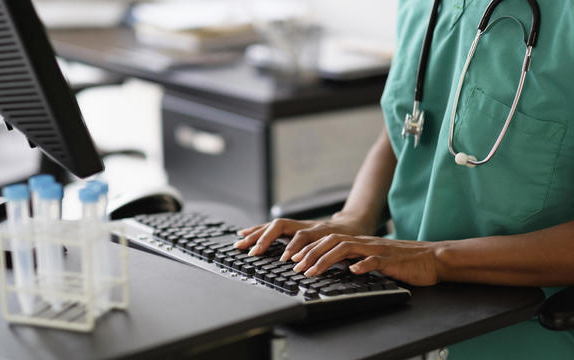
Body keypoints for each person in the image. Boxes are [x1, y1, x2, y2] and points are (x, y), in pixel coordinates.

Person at [234, 1, 574, 358]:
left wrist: (435, 258)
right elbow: (408, 126)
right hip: (395, 302)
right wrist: (354, 219)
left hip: (524, 325)